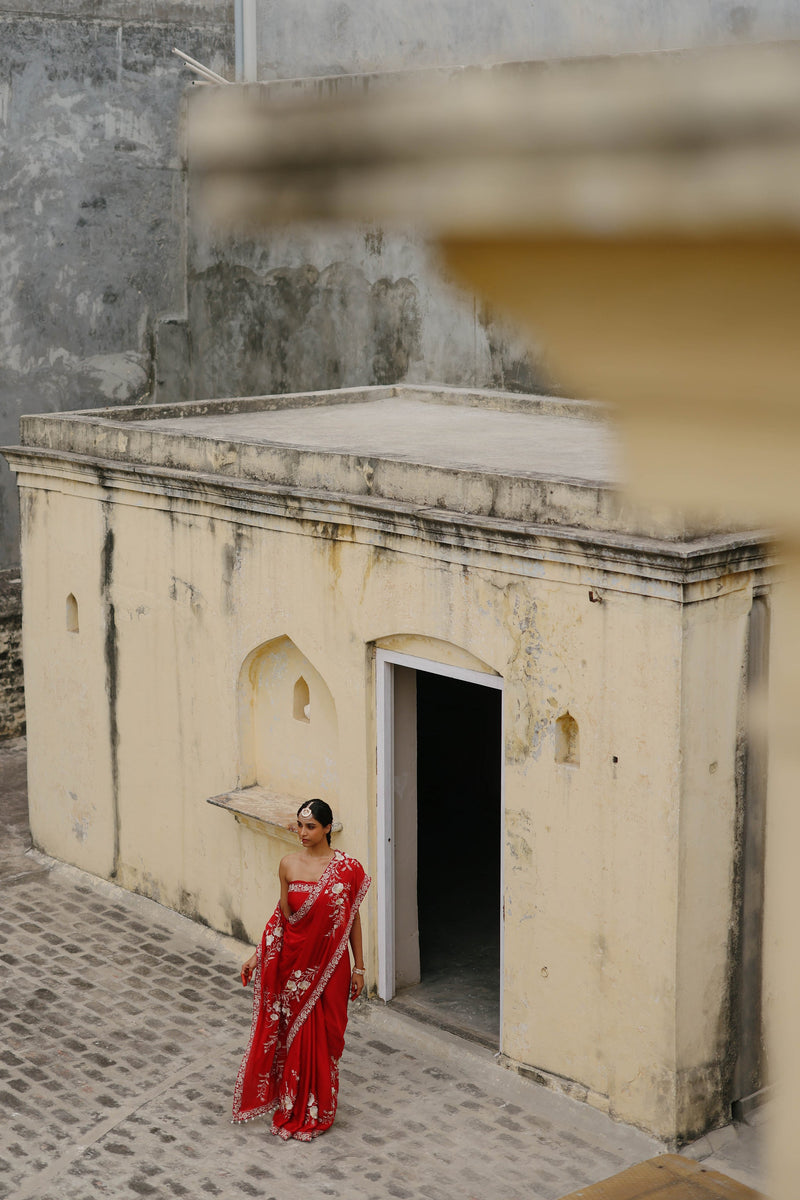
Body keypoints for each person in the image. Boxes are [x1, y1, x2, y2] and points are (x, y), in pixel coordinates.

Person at [232, 799, 370, 1141]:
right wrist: (257, 956)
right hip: (294, 968)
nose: (302, 833)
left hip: (330, 969)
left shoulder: (348, 870)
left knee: (324, 1037)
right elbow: (281, 917)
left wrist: (360, 967)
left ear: (327, 828)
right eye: (299, 825)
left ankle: (319, 1108)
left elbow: (352, 920)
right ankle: (292, 1104)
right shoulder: (288, 865)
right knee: (295, 1036)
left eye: (310, 826)